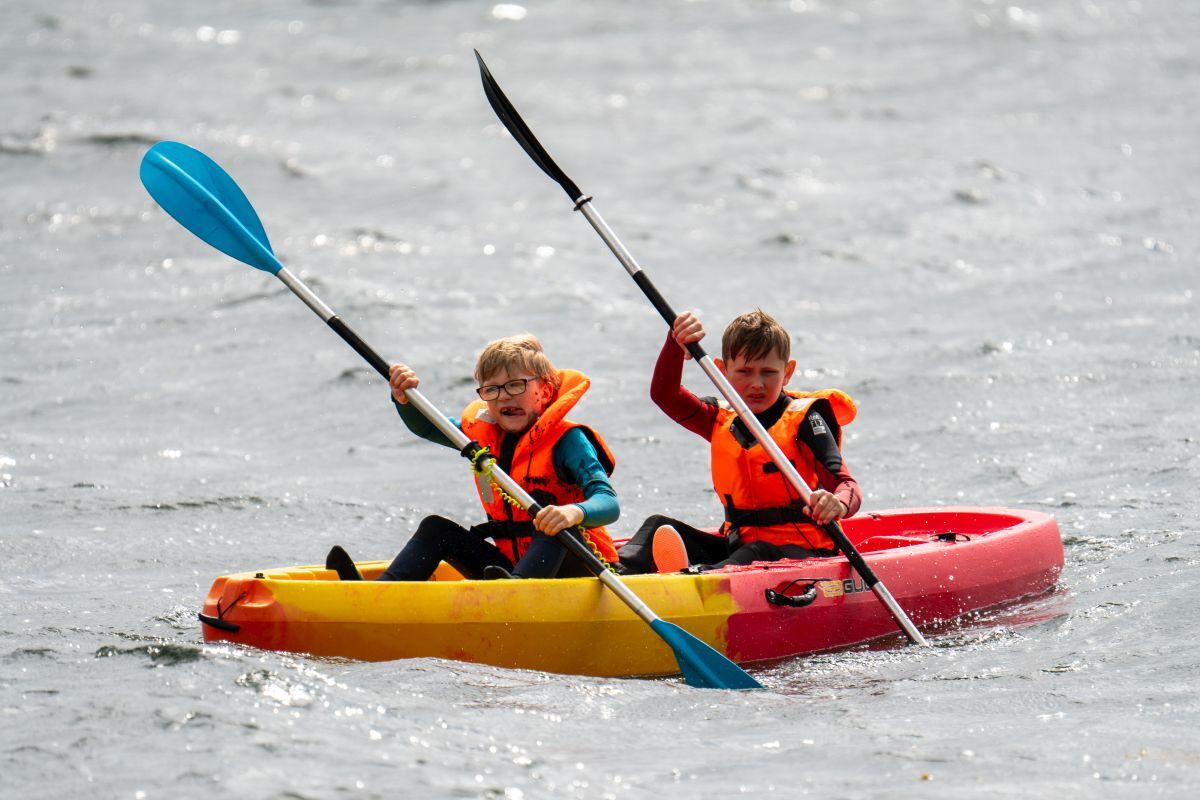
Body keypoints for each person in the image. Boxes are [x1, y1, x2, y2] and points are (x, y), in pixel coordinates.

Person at [326, 334, 620, 581]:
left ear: (544, 391)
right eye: (492, 390)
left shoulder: (568, 441)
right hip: (514, 573)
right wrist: (404, 398)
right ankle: (378, 594)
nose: (504, 396)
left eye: (516, 385)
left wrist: (573, 512)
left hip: (585, 570)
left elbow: (608, 503)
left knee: (554, 528)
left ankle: (512, 596)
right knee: (435, 529)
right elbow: (427, 425)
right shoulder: (483, 438)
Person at [617, 309, 860, 574]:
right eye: (745, 371)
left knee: (756, 551)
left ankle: (696, 580)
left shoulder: (805, 420)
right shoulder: (718, 418)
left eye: (768, 372)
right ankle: (609, 573)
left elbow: (846, 484)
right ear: (722, 370)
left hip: (802, 553)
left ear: (787, 372)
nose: (757, 383)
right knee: (657, 526)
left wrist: (837, 503)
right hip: (737, 549)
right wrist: (675, 344)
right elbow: (665, 395)